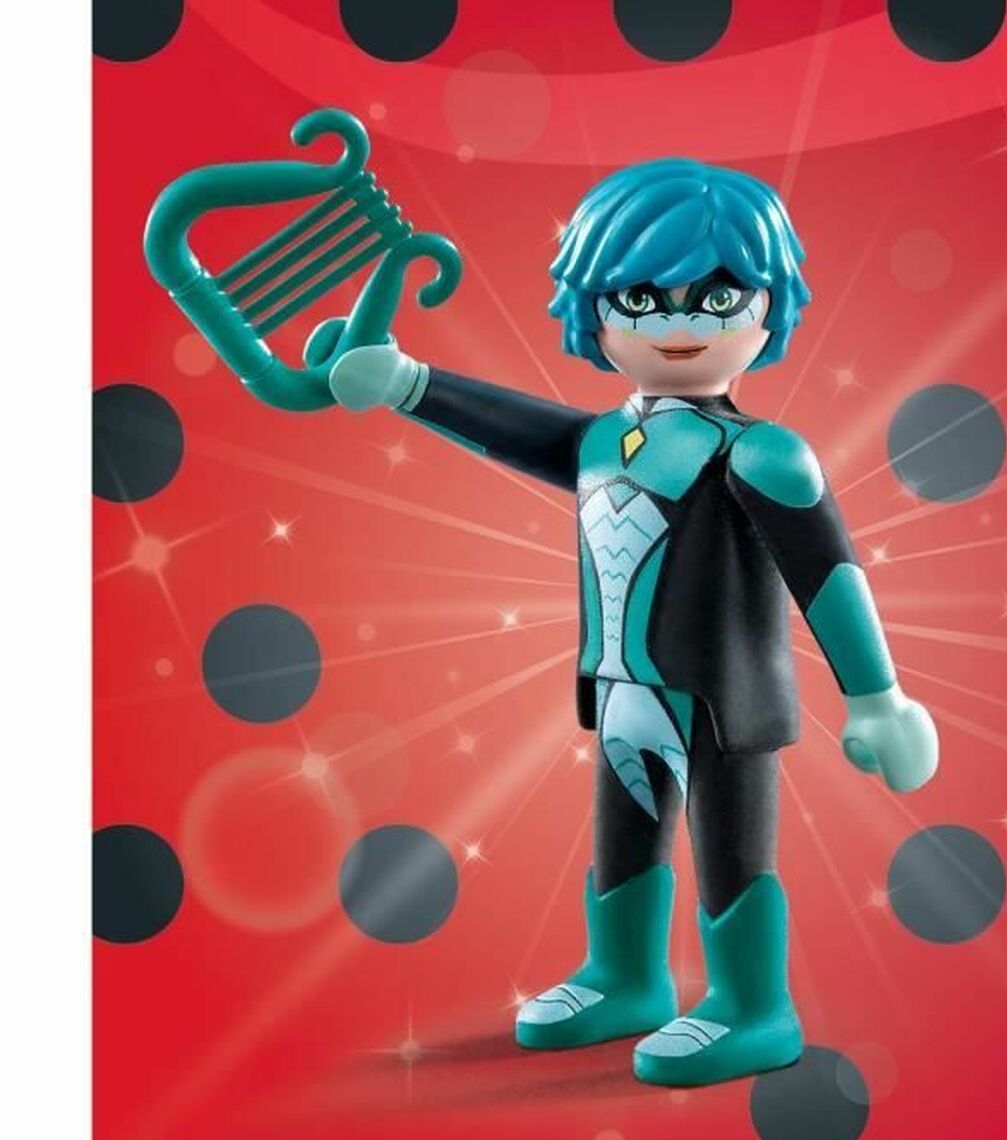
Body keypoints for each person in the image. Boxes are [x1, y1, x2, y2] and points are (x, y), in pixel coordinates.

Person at [327, 158, 938, 1087]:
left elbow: (828, 573)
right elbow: (514, 425)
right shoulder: (603, 441)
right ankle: (625, 976)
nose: (680, 326)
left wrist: (878, 697)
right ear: (596, 309)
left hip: (724, 702)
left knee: (731, 852)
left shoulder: (763, 455)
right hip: (619, 685)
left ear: (768, 307)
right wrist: (407, 382)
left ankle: (753, 1005)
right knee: (626, 834)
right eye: (642, 300)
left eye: (720, 298)